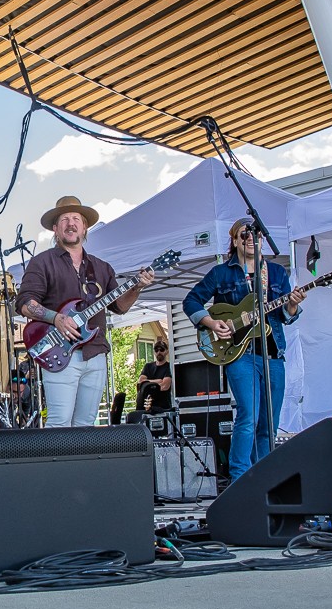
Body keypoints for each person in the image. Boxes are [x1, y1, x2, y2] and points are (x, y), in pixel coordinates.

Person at [182, 219, 308, 483]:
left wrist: (293, 306)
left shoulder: (276, 273)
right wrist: (210, 322)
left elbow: (286, 316)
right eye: (245, 234)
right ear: (235, 240)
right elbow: (191, 300)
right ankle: (240, 478)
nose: (252, 238)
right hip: (238, 354)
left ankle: (267, 478)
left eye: (257, 234)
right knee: (248, 416)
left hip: (273, 354)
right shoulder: (221, 273)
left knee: (269, 424)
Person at [17, 195, 154, 427]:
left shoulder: (101, 267)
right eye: (65, 220)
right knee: (59, 423)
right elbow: (24, 303)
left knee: (86, 425)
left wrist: (138, 287)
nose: (71, 224)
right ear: (55, 228)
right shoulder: (42, 262)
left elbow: (120, 307)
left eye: (76, 219)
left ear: (84, 226)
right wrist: (56, 318)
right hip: (60, 351)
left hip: (95, 353)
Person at [133, 351, 174, 418]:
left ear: (167, 351)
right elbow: (141, 382)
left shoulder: (169, 366)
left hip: (163, 408)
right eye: (156, 350)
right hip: (145, 409)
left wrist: (147, 382)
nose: (159, 352)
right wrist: (159, 380)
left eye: (162, 349)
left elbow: (164, 386)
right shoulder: (148, 366)